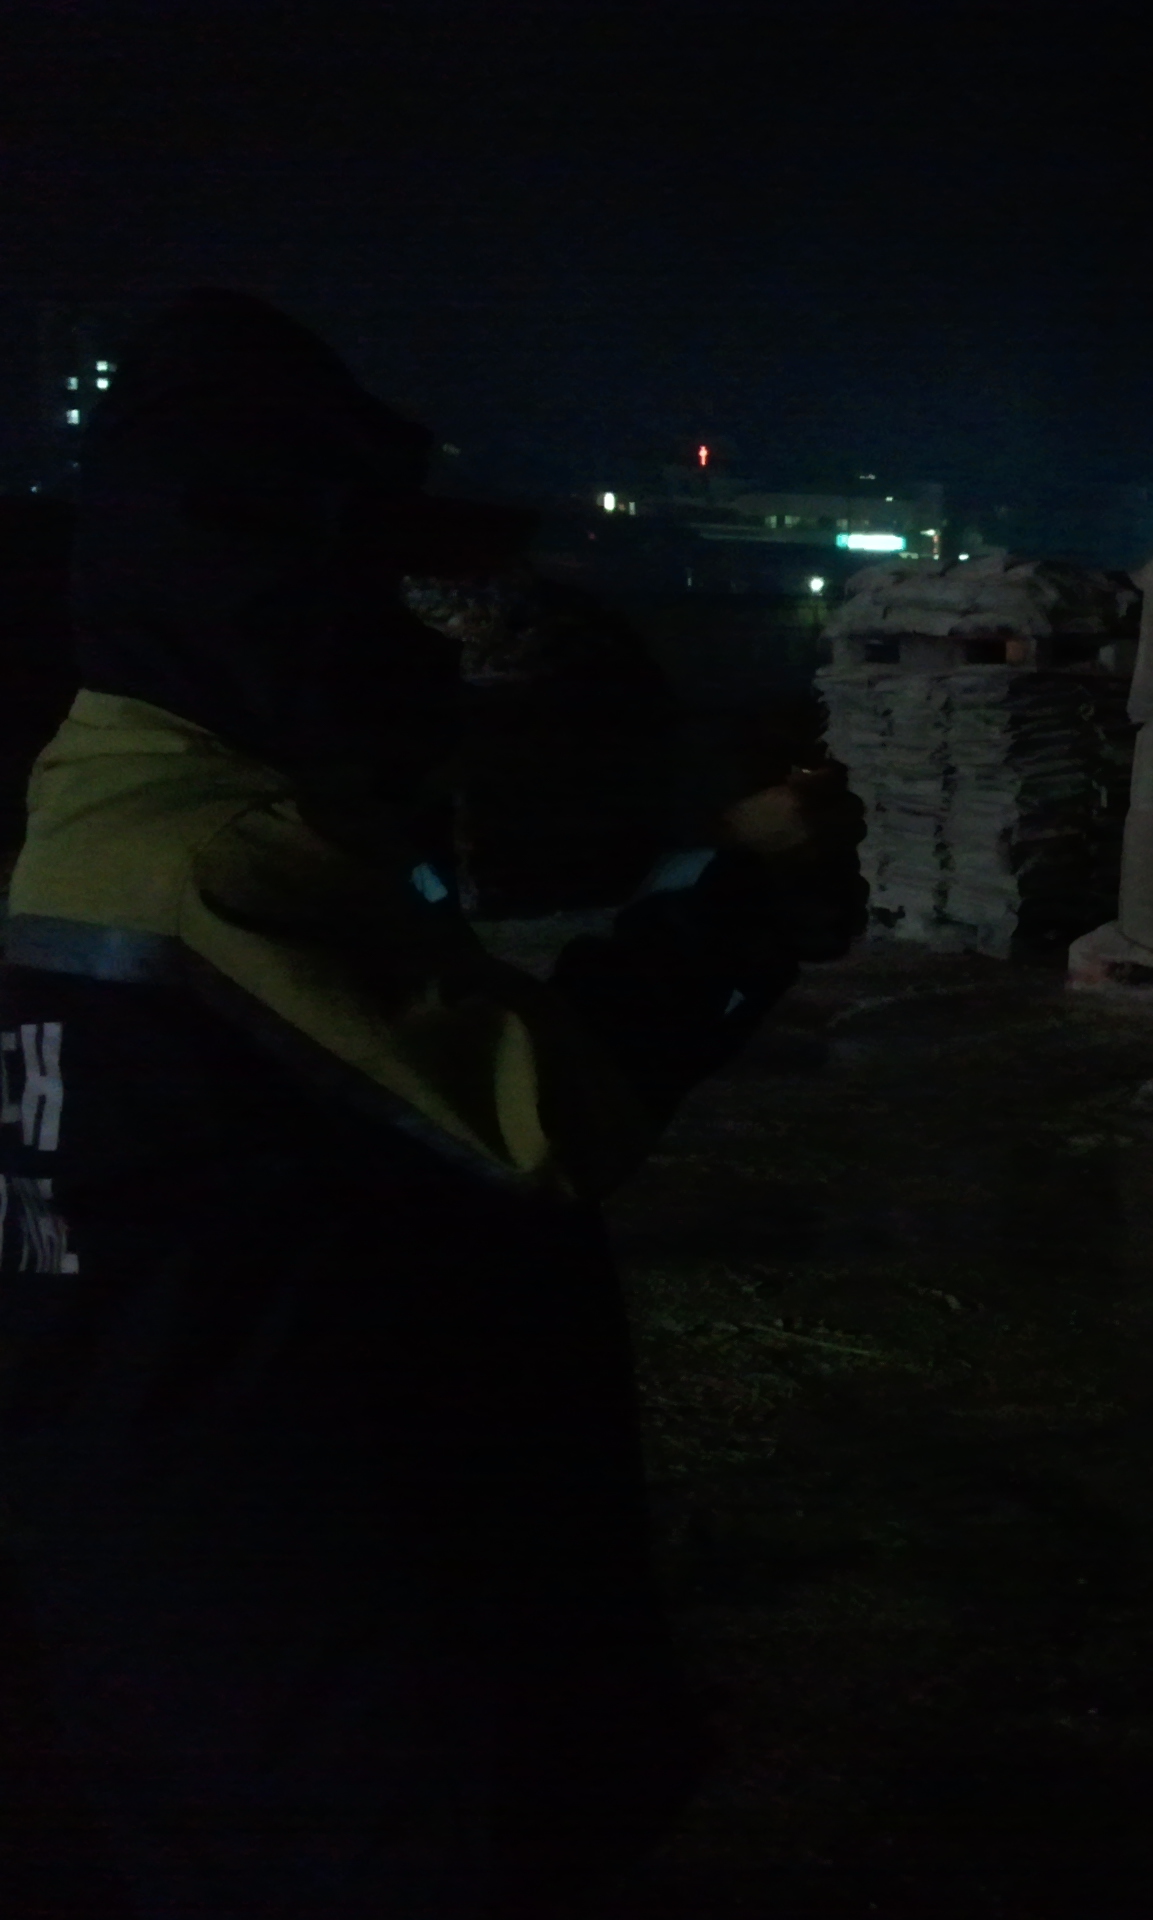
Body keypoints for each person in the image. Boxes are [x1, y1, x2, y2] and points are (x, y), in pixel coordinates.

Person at [0, 291, 865, 1919]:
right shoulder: (220, 868)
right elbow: (548, 1114)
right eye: (375, 580)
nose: (423, 632)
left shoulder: (101, 810)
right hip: (319, 1656)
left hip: (180, 1604)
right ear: (267, 573)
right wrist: (743, 903)